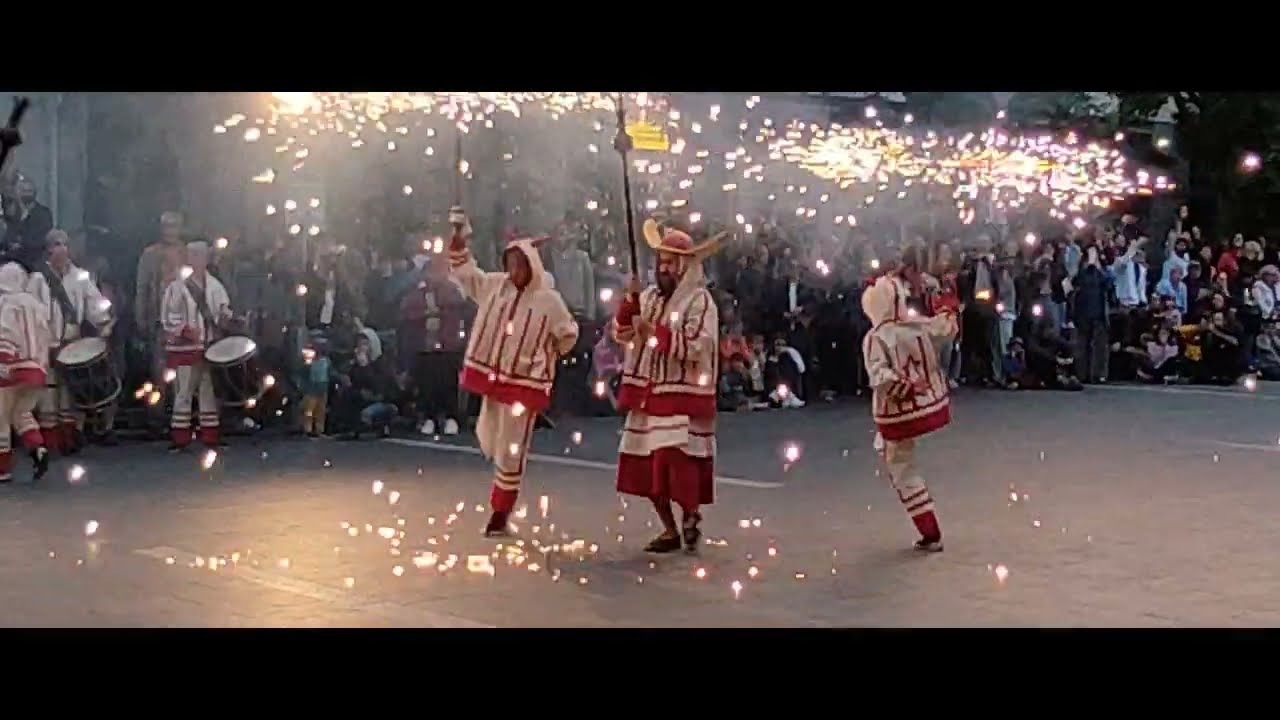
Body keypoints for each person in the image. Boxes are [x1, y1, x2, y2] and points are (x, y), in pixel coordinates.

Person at [448, 206, 578, 537]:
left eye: (520, 264)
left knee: (511, 448)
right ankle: (500, 498)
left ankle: (500, 509)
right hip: (494, 380)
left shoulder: (549, 300)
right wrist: (459, 237)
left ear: (531, 266)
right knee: (490, 437)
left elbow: (568, 334)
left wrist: (546, 355)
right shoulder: (495, 287)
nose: (514, 270)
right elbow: (466, 274)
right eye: (510, 263)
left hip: (524, 386)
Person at [613, 221, 721, 553]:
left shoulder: (700, 301)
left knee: (677, 462)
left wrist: (656, 335)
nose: (663, 268)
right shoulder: (647, 297)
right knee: (646, 467)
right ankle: (670, 529)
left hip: (682, 395)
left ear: (685, 265)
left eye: (670, 262)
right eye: (661, 261)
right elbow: (623, 334)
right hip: (648, 393)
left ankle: (690, 516)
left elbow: (699, 346)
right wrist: (629, 304)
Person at [861, 274, 957, 552]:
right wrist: (945, 303)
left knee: (900, 468)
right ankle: (929, 531)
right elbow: (946, 328)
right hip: (930, 405)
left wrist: (904, 385)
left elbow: (879, 375)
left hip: (896, 415)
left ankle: (929, 531)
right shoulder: (916, 326)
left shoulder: (875, 338)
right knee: (899, 461)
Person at [35, 230, 114, 454]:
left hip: (72, 340)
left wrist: (103, 322)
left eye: (65, 245)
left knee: (68, 395)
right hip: (47, 342)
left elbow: (94, 301)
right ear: (48, 249)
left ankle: (70, 440)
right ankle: (50, 443)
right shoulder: (38, 279)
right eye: (56, 245)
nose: (61, 249)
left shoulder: (80, 276)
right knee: (49, 395)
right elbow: (34, 314)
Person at [162, 240, 232, 451]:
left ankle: (210, 435)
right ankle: (180, 437)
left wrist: (227, 318)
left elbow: (223, 308)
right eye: (194, 255)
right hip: (186, 347)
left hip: (209, 345)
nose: (198, 259)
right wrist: (184, 330)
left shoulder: (215, 285)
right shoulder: (177, 286)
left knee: (207, 390)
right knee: (184, 391)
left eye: (201, 255)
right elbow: (168, 315)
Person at [0, 261, 51, 481]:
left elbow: (5, 333)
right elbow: (46, 334)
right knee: (21, 413)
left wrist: (3, 361)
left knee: (1, 419)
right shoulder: (36, 304)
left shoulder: (6, 303)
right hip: (37, 370)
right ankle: (38, 447)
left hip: (11, 369)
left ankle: (3, 468)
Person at [408, 254, 467, 436]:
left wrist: (436, 310)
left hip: (448, 344)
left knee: (448, 382)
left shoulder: (451, 288)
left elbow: (458, 303)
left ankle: (451, 417)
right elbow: (409, 308)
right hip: (426, 345)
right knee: (427, 384)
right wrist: (428, 312)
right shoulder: (419, 291)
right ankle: (429, 417)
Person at [299, 332, 333, 438]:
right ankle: (308, 429)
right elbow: (304, 373)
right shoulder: (309, 362)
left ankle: (319, 429)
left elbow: (330, 372)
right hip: (312, 388)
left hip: (322, 387)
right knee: (309, 409)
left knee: (320, 410)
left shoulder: (326, 361)